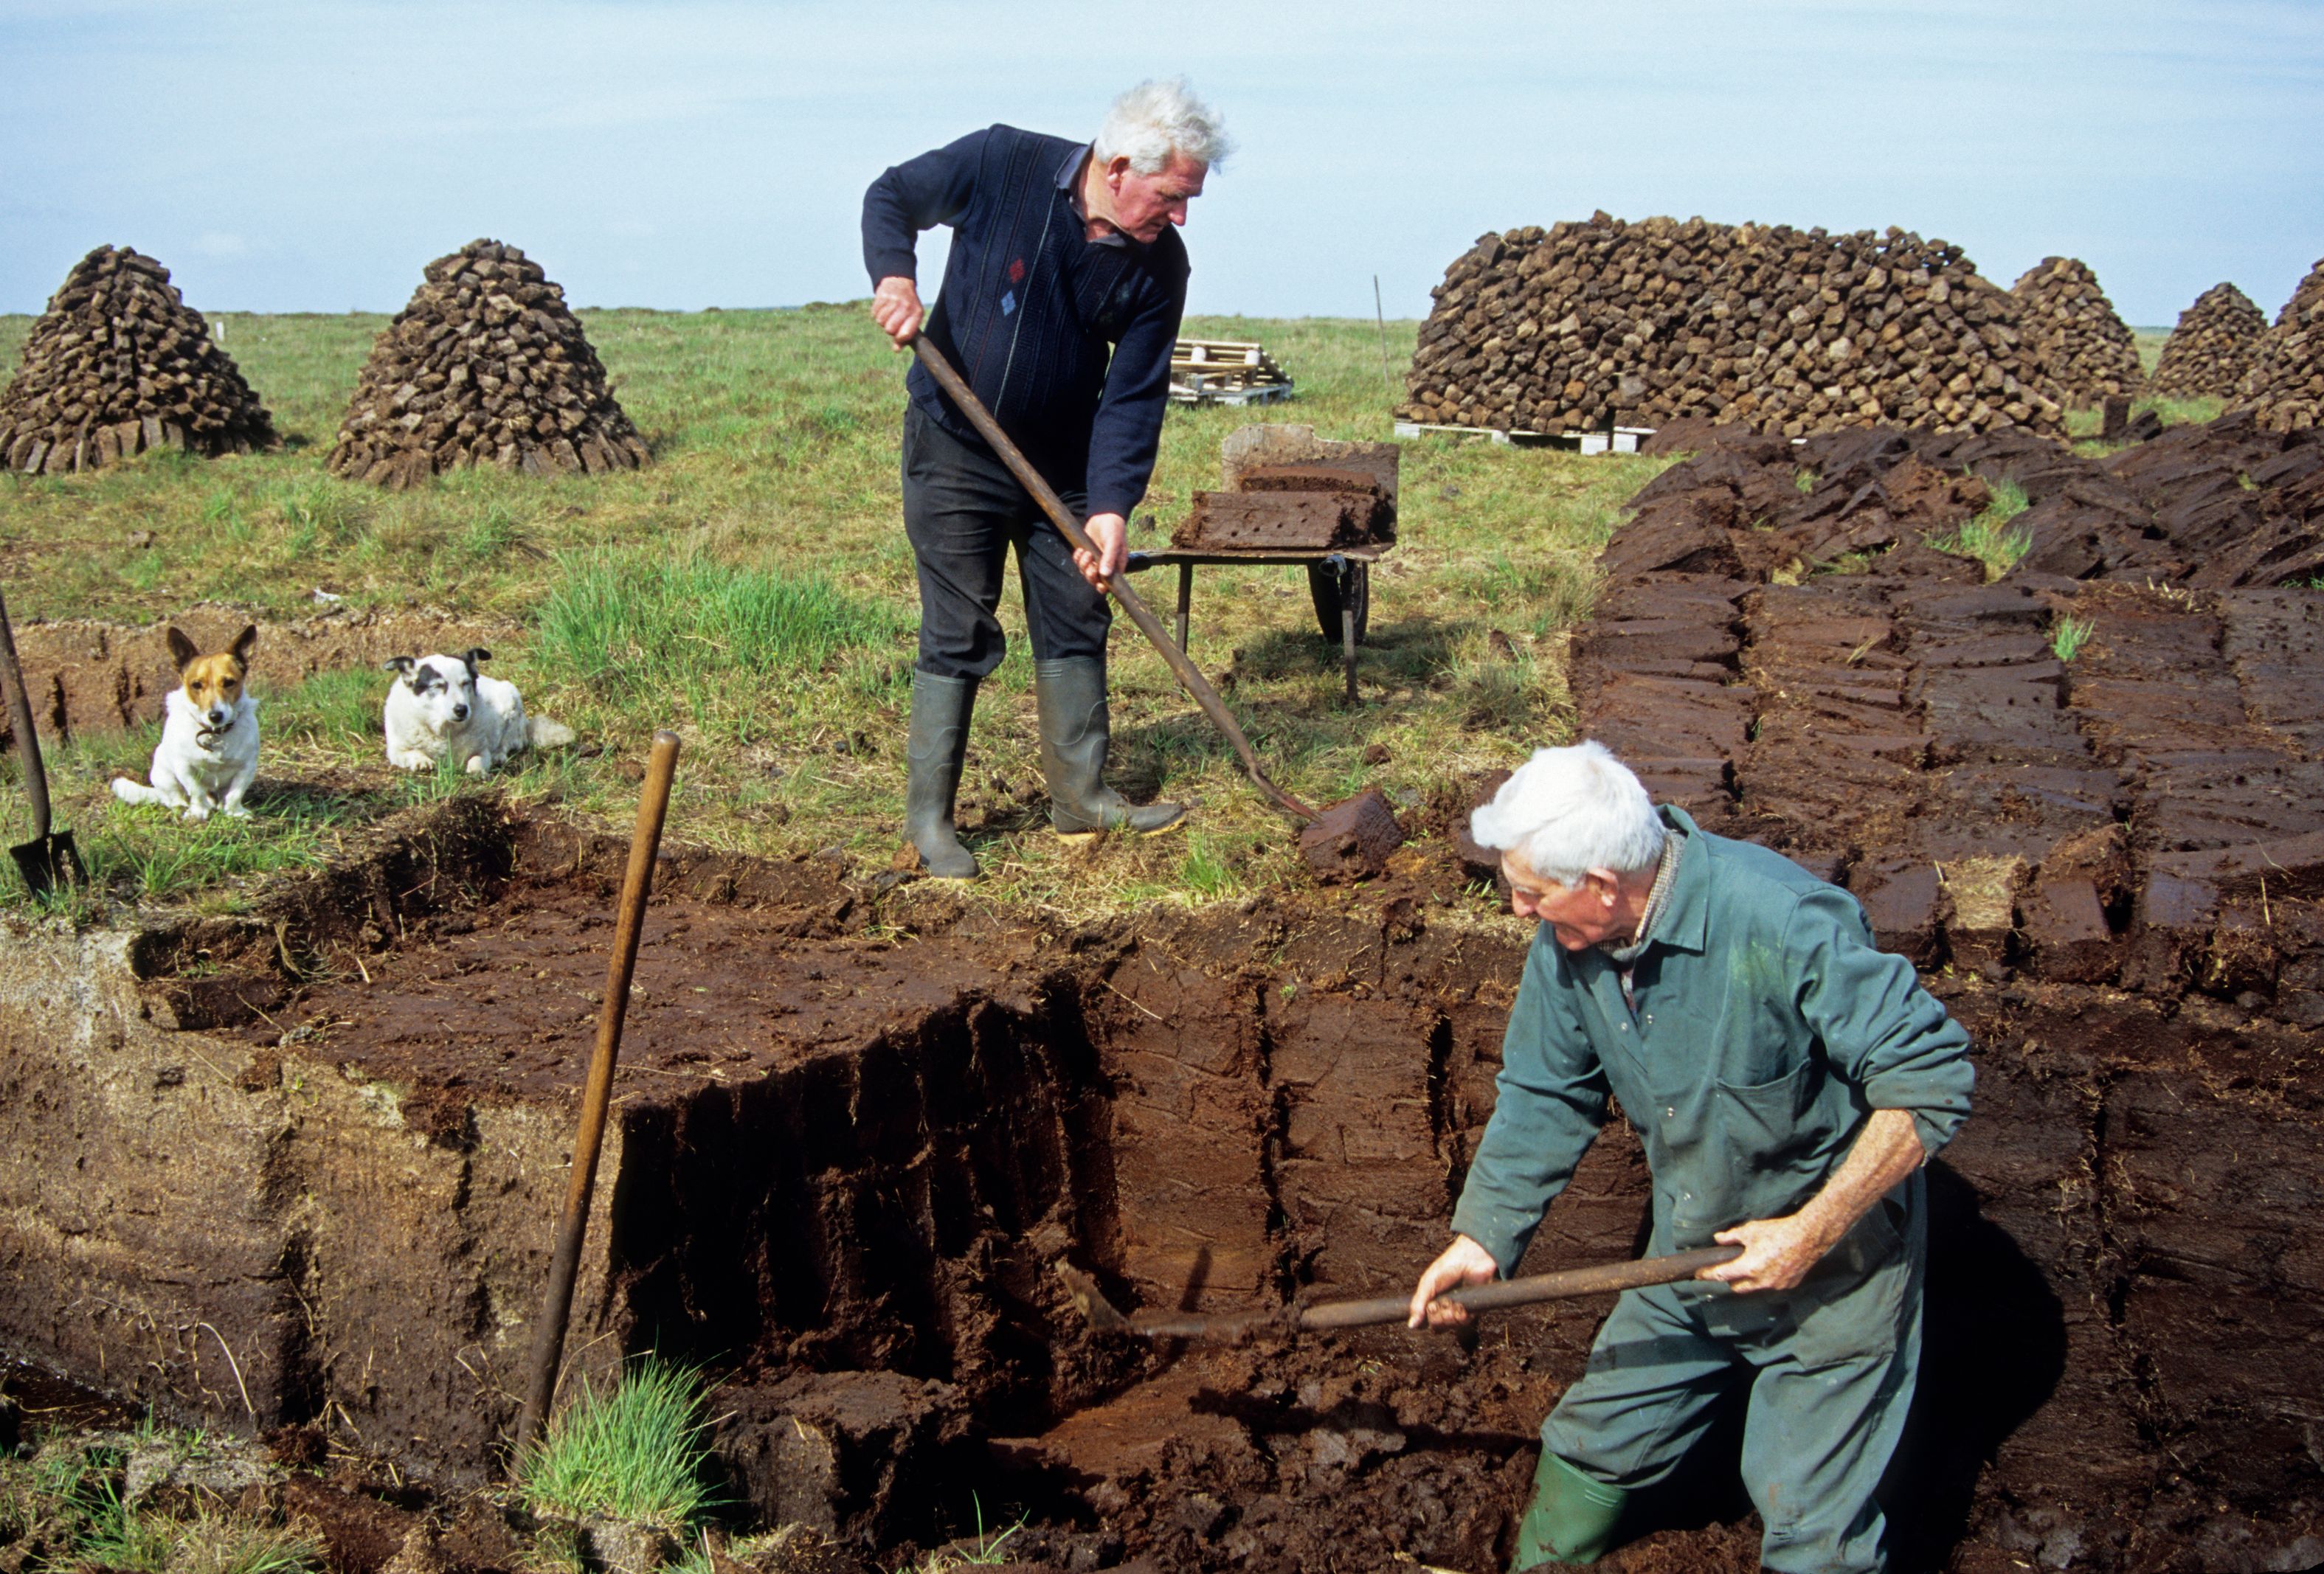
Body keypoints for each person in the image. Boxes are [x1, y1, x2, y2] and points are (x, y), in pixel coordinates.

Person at [1406, 742, 1974, 1573]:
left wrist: (1811, 1230)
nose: (1519, 909)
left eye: (1530, 891)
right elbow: (1544, 1091)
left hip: (1837, 1272)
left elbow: (1932, 1078)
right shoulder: (1570, 944)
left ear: (1602, 882)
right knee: (1591, 1442)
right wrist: (1483, 1240)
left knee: (1809, 1527)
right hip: (1690, 1252)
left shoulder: (1781, 920)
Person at [861, 79, 1229, 879]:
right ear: (1121, 164)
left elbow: (1132, 398)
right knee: (958, 626)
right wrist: (895, 276)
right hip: (955, 443)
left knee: (1076, 612)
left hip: (1059, 465)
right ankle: (929, 823)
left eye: (1191, 199)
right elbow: (891, 195)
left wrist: (1109, 509)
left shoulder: (1159, 267)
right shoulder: (1002, 163)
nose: (1182, 214)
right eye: (1172, 195)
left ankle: (1080, 798)